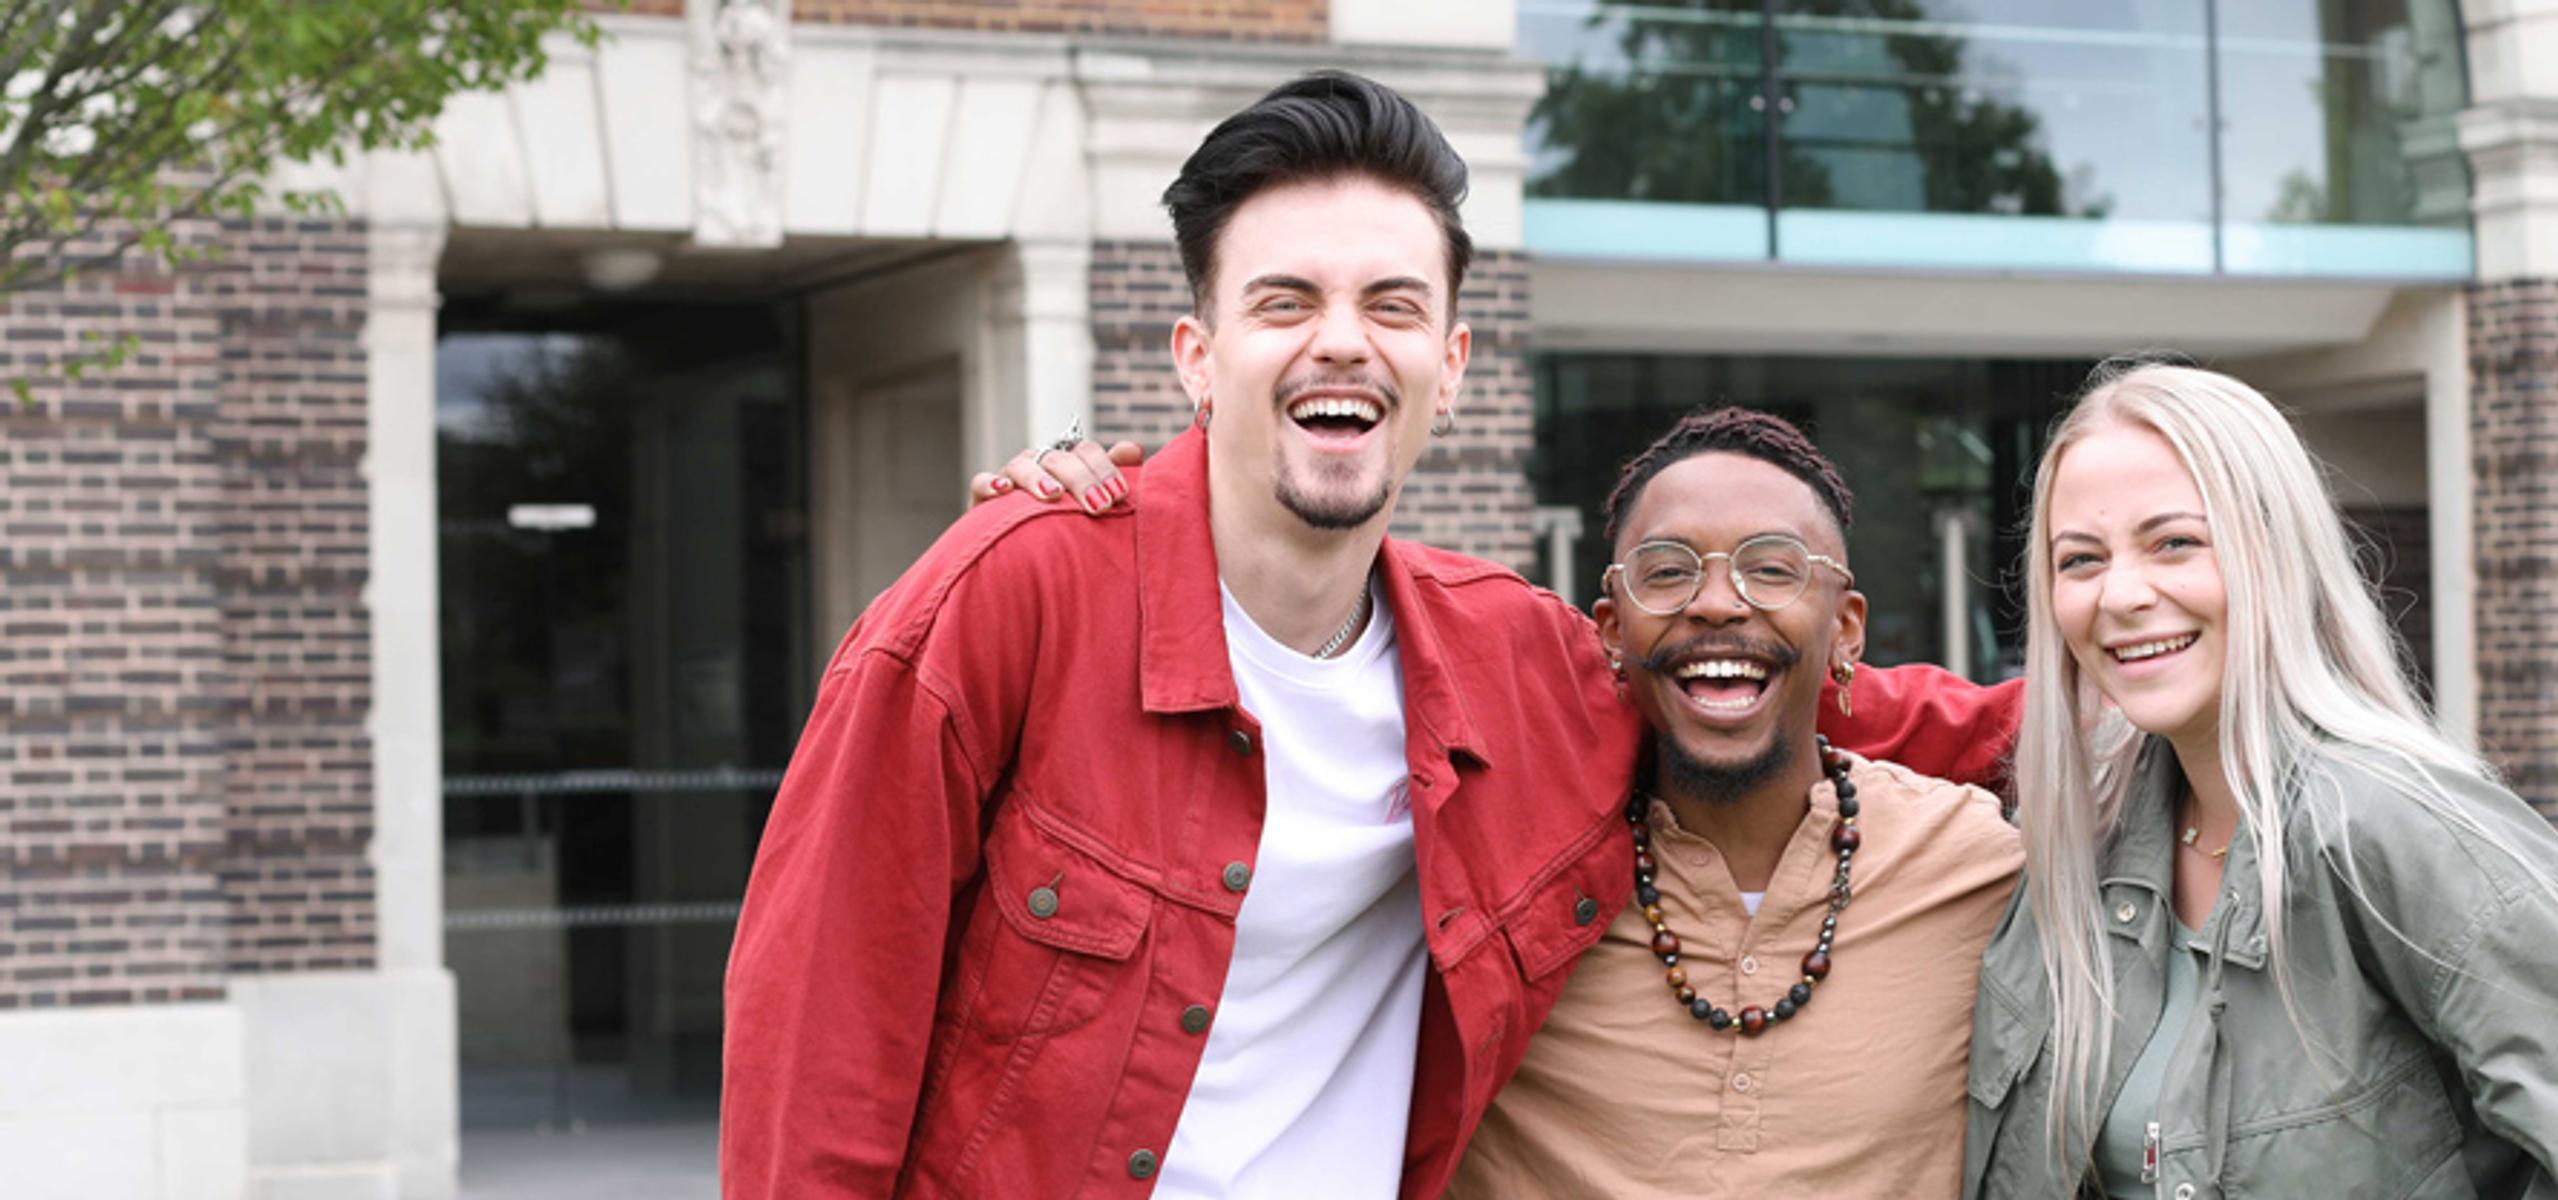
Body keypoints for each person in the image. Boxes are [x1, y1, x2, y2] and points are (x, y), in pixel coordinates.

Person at [721, 71, 2016, 1200]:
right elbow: (817, 1055)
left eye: (1391, 306)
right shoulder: (1011, 600)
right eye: (1285, 301)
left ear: (1448, 366)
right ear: (1196, 355)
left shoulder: (1514, 660)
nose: (1340, 342)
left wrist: (2119, 682)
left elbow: (1794, 689)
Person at [1965, 363, 2558, 1198]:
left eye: (2175, 543)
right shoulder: (2079, 848)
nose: (2121, 594)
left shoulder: (2399, 829)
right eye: (2081, 560)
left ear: (2277, 553)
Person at [1442, 409, 2024, 1197]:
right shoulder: (1506, 876)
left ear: (1846, 629)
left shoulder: (1980, 869)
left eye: (1772, 569)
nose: (1716, 602)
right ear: (1611, 631)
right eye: (1667, 571)